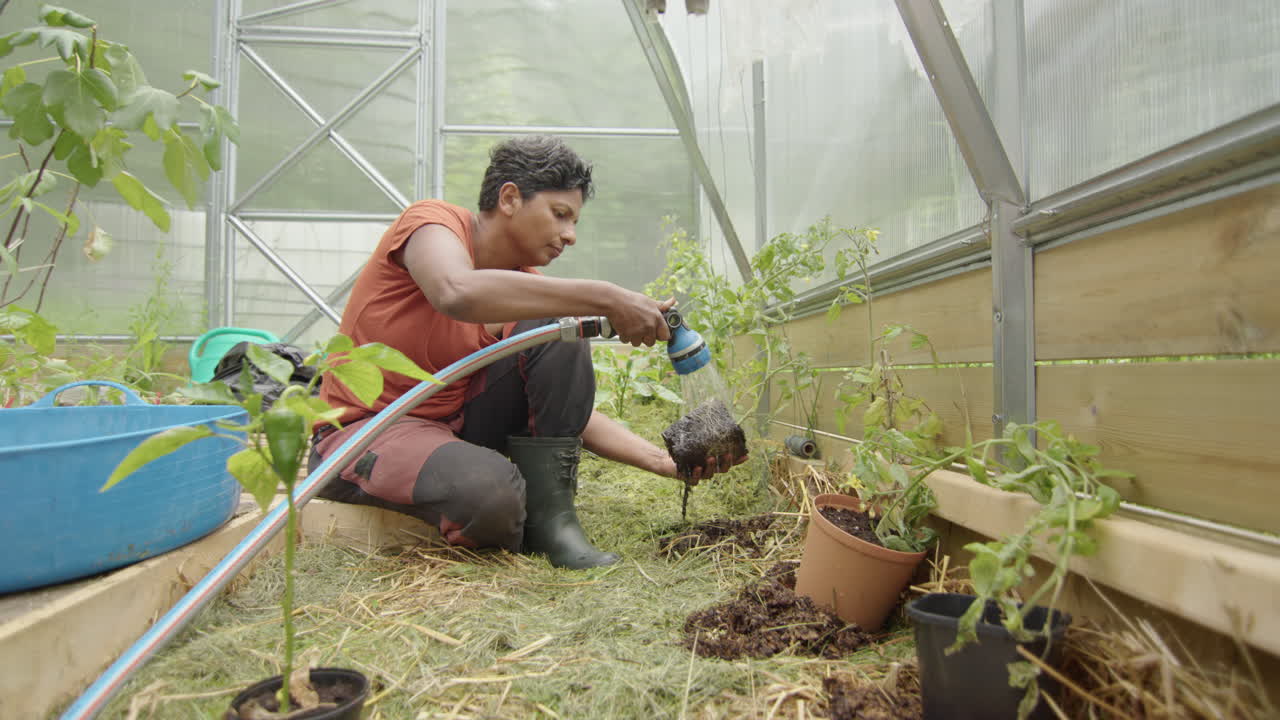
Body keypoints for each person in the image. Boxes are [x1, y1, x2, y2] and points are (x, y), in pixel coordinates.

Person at [309, 135, 747, 569]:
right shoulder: (432, 224)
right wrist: (606, 296)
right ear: (510, 198)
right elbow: (455, 292)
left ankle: (553, 524)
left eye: (574, 221)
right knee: (494, 499)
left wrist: (661, 461)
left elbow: (560, 413)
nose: (570, 236)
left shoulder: (527, 289)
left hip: (451, 426)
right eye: (560, 214)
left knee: (559, 331)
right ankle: (486, 498)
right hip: (370, 431)